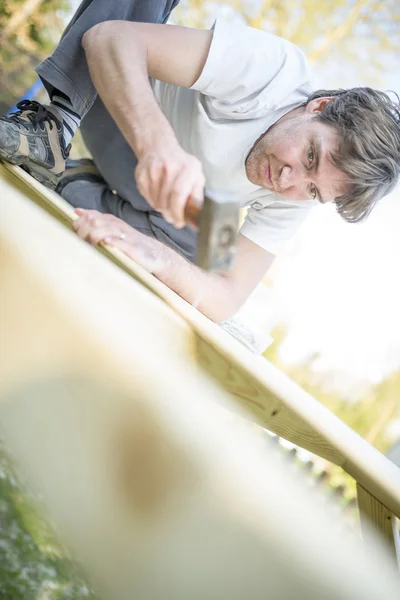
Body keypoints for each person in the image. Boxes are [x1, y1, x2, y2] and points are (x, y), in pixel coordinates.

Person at [0, 1, 399, 322]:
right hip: (107, 102)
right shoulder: (271, 70)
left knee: (210, 249)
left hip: (157, 198)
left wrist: (156, 257)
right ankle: (54, 126)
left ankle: (76, 188)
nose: (287, 180)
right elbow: (110, 38)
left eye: (313, 190)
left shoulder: (297, 196)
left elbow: (227, 296)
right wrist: (158, 144)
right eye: (310, 155)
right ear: (319, 106)